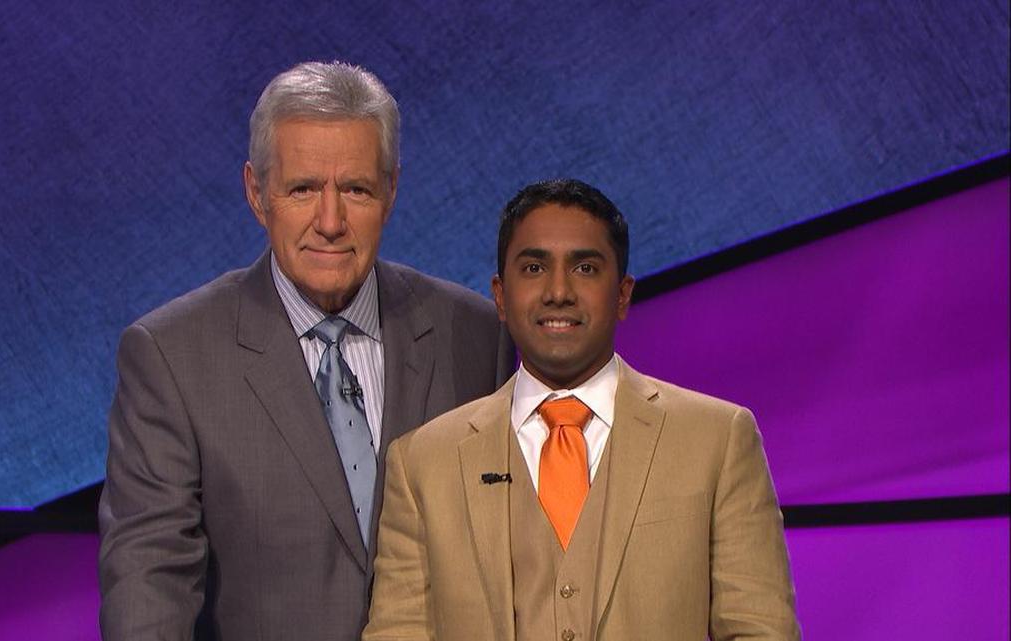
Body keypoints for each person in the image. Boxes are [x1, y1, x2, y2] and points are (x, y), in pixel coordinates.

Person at [98, 61, 515, 641]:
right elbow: (148, 586)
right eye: (302, 189)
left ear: (391, 191)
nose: (330, 221)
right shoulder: (172, 357)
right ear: (256, 192)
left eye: (356, 190)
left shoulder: (473, 334)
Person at [364, 179, 800, 640]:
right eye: (534, 267)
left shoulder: (718, 438)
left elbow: (760, 632)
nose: (558, 292)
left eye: (585, 268)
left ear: (623, 294)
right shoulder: (422, 463)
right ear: (499, 295)